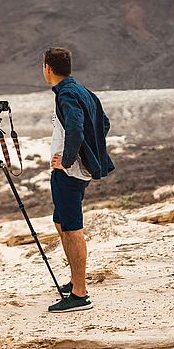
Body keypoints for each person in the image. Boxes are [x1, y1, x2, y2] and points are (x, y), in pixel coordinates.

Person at [42, 47, 114, 313]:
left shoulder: (68, 94)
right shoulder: (82, 90)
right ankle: (75, 280)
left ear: (47, 68)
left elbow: (75, 127)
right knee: (61, 222)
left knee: (72, 230)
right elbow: (103, 123)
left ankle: (80, 295)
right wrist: (90, 155)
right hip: (73, 172)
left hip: (68, 173)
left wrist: (68, 160)